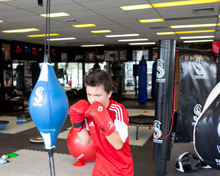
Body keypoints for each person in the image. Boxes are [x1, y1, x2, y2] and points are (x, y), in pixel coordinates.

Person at [69, 69, 134, 176]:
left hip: (120, 169)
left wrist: (103, 120)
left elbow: (118, 144)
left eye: (98, 95)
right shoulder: (89, 111)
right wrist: (78, 123)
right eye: (89, 95)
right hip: (100, 167)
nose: (93, 100)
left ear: (109, 94)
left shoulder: (118, 110)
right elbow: (85, 141)